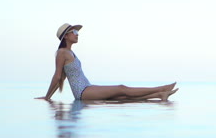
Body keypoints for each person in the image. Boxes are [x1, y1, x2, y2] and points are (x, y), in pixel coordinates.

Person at [35, 23, 178, 101]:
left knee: (121, 97)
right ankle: (161, 88)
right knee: (122, 88)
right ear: (66, 36)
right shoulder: (61, 53)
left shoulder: (70, 53)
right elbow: (58, 76)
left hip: (87, 87)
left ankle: (159, 95)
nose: (77, 35)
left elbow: (64, 77)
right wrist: (47, 97)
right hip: (83, 92)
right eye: (75, 32)